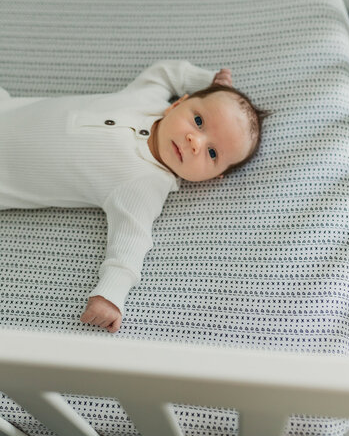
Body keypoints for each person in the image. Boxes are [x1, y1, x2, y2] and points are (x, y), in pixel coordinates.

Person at [0, 60, 270, 333]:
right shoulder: (145, 99)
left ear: (213, 177)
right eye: (198, 121)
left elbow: (131, 241)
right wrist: (209, 80)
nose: (195, 142)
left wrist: (110, 295)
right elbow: (165, 74)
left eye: (212, 153)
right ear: (177, 104)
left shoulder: (145, 185)